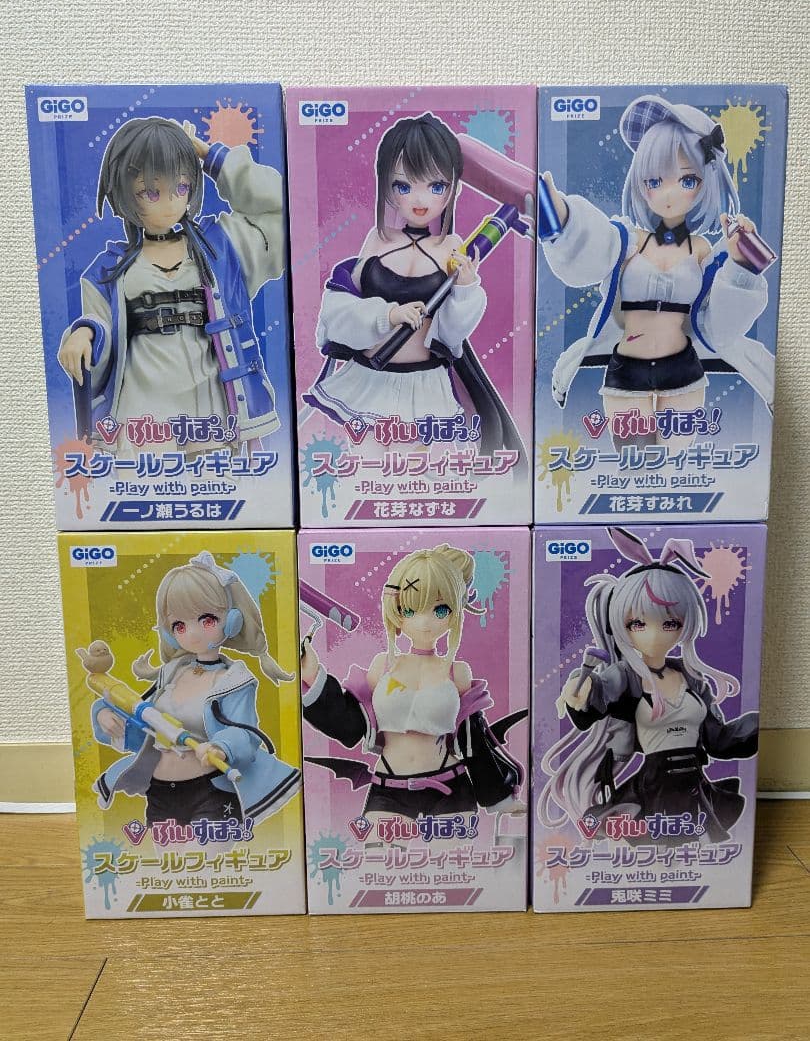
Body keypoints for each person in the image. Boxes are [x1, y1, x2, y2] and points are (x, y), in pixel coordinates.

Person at [541, 94, 774, 447]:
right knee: (633, 460)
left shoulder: (702, 250)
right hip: (627, 368)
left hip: (683, 368)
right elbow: (592, 246)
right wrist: (563, 220)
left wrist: (742, 265)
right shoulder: (627, 240)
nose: (668, 193)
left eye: (687, 180)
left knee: (676, 462)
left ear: (707, 181)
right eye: (653, 181)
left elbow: (720, 325)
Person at [302, 112, 524, 458]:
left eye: (436, 187)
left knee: (412, 467)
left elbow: (452, 334)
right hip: (369, 377)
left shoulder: (452, 247)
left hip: (423, 383)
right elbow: (340, 307)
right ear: (386, 186)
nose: (420, 201)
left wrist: (466, 288)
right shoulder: (377, 239)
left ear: (453, 187)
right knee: (365, 462)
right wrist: (388, 315)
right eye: (404, 186)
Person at [57, 116, 285, 450]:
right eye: (150, 192)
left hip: (212, 409)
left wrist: (211, 157)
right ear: (125, 191)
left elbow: (285, 207)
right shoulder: (108, 270)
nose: (169, 203)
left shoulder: (224, 246)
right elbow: (100, 322)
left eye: (180, 188)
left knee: (221, 480)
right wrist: (84, 333)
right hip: (143, 418)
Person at [538, 527, 758, 843]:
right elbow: (596, 696)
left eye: (670, 623)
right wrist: (581, 689)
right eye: (638, 623)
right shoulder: (625, 675)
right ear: (621, 624)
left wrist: (755, 726)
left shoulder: (693, 677)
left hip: (695, 784)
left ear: (685, 623)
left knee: (696, 844)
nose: (654, 634)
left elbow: (718, 739)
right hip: (656, 783)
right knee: (658, 844)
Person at [300, 544, 525, 822]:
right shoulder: (383, 666)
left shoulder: (456, 672)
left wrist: (500, 798)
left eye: (440, 610)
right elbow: (350, 724)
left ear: (456, 609)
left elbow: (473, 740)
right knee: (378, 848)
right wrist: (313, 676)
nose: (424, 622)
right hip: (389, 786)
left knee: (453, 852)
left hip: (451, 787)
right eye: (409, 610)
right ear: (395, 608)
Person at [88, 551, 301, 827]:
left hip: (210, 789)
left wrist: (221, 747)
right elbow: (143, 721)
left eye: (207, 620)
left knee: (209, 853)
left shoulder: (234, 681)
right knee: (169, 855)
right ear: (169, 632)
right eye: (179, 625)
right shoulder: (171, 674)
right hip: (160, 790)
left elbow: (245, 733)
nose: (192, 633)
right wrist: (105, 714)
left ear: (232, 620)